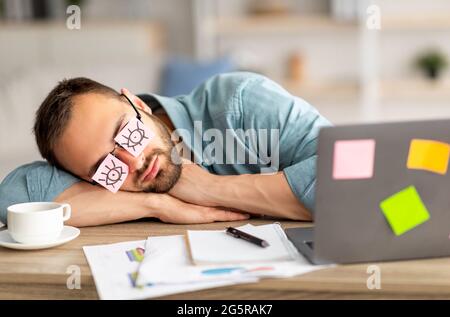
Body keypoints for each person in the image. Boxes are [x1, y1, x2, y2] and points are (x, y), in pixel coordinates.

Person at [0, 72, 331, 227]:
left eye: (125, 132)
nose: (132, 162)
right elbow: (10, 199)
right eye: (105, 166)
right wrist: (156, 203)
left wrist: (209, 188)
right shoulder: (104, 183)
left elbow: (360, 174)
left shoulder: (238, 102)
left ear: (139, 104)